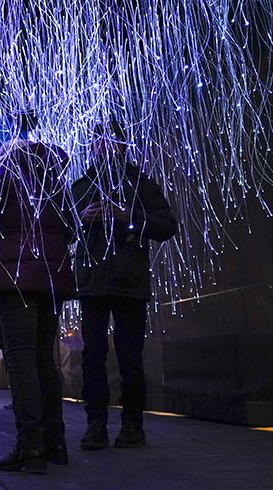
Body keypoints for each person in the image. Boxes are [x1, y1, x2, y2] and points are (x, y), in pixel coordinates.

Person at [0, 113, 75, 472]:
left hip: (14, 278)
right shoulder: (54, 175)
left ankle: (30, 445)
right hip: (51, 278)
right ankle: (55, 443)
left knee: (21, 358)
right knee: (45, 358)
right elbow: (70, 228)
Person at [72, 120, 177, 450]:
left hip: (129, 282)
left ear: (121, 145)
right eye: (96, 141)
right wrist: (80, 219)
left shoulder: (139, 183)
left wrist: (126, 215)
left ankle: (132, 424)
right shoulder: (81, 186)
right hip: (91, 283)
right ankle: (96, 424)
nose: (102, 146)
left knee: (130, 357)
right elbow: (60, 229)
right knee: (93, 357)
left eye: (109, 140)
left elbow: (166, 225)